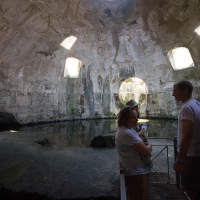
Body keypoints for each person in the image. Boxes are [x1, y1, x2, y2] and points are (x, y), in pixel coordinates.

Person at [115, 106, 152, 200]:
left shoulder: (126, 129)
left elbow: (137, 141)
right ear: (124, 119)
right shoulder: (126, 133)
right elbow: (146, 151)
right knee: (140, 196)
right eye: (133, 117)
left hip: (135, 171)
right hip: (136, 173)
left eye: (137, 116)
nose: (137, 119)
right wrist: (149, 145)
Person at [172, 81, 200, 200]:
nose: (173, 94)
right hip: (196, 154)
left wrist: (180, 161)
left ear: (185, 91)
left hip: (189, 156)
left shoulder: (186, 108)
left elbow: (186, 136)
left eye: (175, 91)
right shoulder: (196, 104)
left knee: (189, 189)